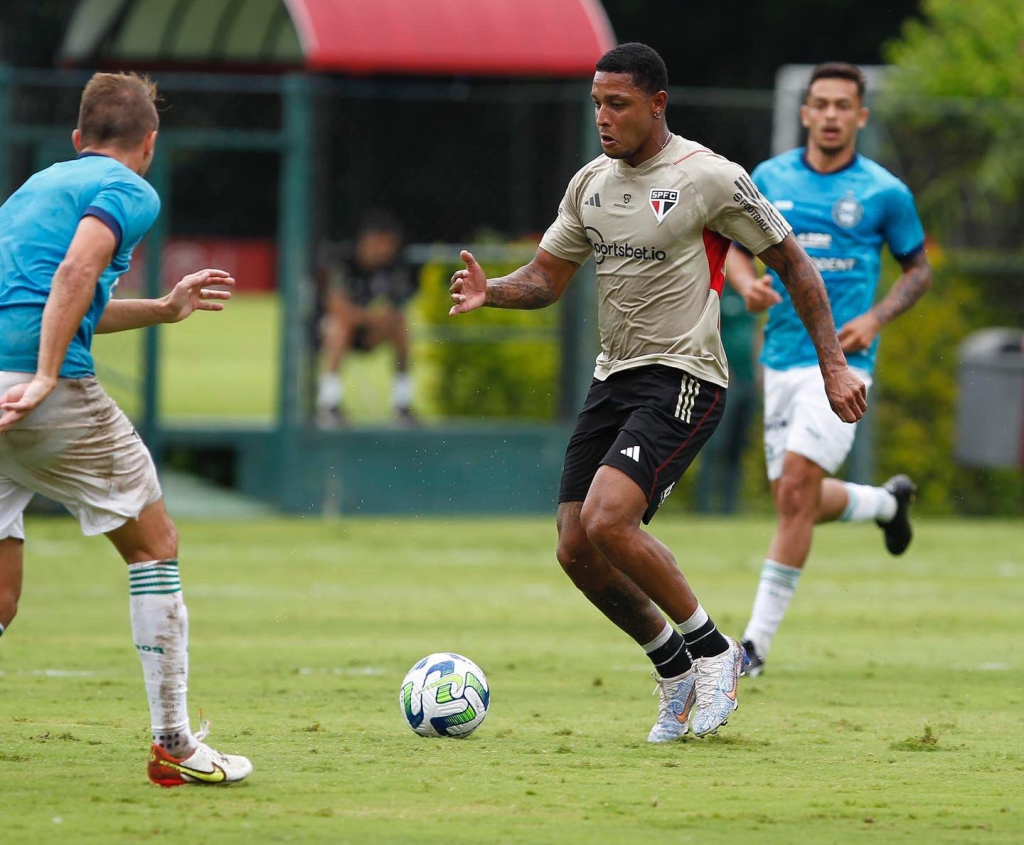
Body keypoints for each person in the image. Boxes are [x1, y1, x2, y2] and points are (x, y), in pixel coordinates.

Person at [449, 43, 865, 742]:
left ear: (657, 103)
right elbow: (547, 279)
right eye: (596, 104)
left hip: (687, 375)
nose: (603, 118)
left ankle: (713, 651)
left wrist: (832, 366)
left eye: (618, 104)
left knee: (611, 519)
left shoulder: (709, 178)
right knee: (575, 545)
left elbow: (795, 263)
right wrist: (493, 290)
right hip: (615, 378)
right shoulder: (591, 184)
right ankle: (672, 665)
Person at [0, 72, 251, 786]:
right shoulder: (133, 188)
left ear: (77, 140)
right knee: (154, 546)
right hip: (38, 388)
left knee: (0, 594)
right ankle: (173, 740)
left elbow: (60, 293)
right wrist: (47, 374)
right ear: (150, 143)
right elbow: (78, 268)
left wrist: (164, 307)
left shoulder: (34, 188)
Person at [727, 62, 932, 676]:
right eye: (823, 104)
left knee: (794, 493)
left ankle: (753, 647)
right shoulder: (769, 179)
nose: (834, 115)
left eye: (846, 105)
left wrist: (876, 318)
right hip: (781, 360)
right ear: (806, 112)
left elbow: (919, 269)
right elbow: (736, 251)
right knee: (796, 499)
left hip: (845, 365)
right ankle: (885, 506)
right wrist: (745, 286)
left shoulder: (884, 192)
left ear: (861, 116)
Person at [316, 211, 418, 425]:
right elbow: (338, 308)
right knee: (338, 326)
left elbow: (396, 310)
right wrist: (371, 316)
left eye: (392, 245)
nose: (388, 250)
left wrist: (375, 318)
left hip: (370, 331)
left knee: (402, 326)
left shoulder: (393, 266)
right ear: (368, 241)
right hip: (332, 331)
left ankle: (402, 405)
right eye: (384, 244)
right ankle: (328, 405)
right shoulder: (343, 261)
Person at [695, 283, 758, 514]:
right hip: (723, 382)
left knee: (737, 447)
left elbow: (755, 334)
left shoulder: (749, 291)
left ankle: (729, 509)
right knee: (715, 445)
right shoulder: (715, 293)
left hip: (748, 381)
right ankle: (705, 508)